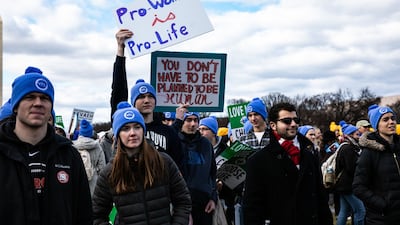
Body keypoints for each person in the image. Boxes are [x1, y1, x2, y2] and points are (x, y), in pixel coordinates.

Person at [0, 69, 92, 224]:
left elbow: (83, 214)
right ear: (15, 106)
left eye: (44, 98)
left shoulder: (69, 155)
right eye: (29, 97)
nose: (38, 103)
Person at [92, 102, 191, 225]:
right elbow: (97, 215)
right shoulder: (110, 171)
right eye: (126, 128)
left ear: (143, 130)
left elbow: (183, 201)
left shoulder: (164, 161)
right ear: (118, 135)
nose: (132, 133)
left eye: (137, 127)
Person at [242, 102, 333, 225]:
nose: (294, 124)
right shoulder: (258, 160)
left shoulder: (309, 153)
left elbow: (320, 196)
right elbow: (252, 207)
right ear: (273, 125)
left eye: (296, 120)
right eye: (287, 121)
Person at [111, 28, 183, 170]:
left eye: (150, 96)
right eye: (141, 97)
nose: (146, 100)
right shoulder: (125, 127)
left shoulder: (168, 132)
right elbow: (118, 90)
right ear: (133, 102)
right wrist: (120, 50)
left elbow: (179, 167)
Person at [353, 104, 400, 225]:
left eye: (392, 118)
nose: (391, 122)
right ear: (376, 125)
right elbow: (358, 187)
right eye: (385, 119)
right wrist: (382, 205)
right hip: (381, 219)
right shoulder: (369, 153)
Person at [178, 112, 217, 225]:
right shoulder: (175, 142)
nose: (193, 124)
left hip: (204, 203)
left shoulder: (206, 144)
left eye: (196, 120)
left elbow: (212, 173)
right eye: (189, 120)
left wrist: (213, 199)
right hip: (181, 202)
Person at [199, 116, 234, 225]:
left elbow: (235, 179)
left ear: (214, 132)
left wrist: (224, 184)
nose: (201, 132)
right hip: (202, 200)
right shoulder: (196, 149)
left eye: (204, 129)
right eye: (199, 129)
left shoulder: (228, 152)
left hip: (224, 202)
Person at [334, 121, 365, 225]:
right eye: (357, 134)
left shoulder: (346, 146)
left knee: (344, 210)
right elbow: (351, 168)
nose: (359, 136)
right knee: (360, 211)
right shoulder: (347, 148)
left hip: (343, 185)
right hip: (348, 185)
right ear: (350, 135)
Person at [73, 119, 106, 195]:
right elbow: (102, 168)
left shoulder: (73, 147)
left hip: (76, 182)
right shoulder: (97, 147)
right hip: (93, 184)